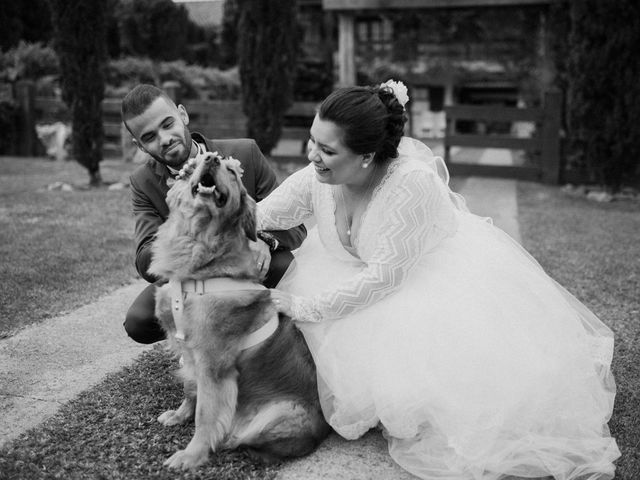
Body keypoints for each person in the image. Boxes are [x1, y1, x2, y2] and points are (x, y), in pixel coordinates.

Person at [257, 80, 620, 480]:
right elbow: (260, 214)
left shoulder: (411, 185)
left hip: (418, 281)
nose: (313, 156)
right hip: (355, 272)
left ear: (367, 156)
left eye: (327, 150)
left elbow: (383, 279)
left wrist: (305, 306)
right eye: (313, 141)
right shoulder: (316, 177)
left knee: (446, 399)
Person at [121, 84, 306, 344]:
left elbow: (295, 227)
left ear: (182, 115)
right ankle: (202, 341)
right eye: (149, 137)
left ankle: (271, 338)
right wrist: (187, 221)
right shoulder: (143, 182)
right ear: (139, 145)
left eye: (167, 124)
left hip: (247, 268)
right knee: (138, 322)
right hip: (190, 276)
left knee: (285, 267)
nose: (164, 139)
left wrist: (260, 238)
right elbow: (144, 260)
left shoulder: (245, 153)